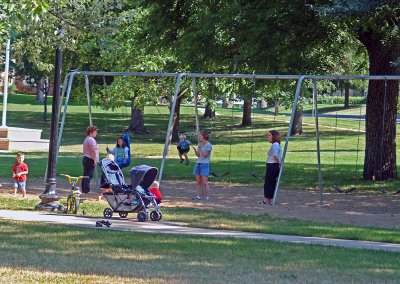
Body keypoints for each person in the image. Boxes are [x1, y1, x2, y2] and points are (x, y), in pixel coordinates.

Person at [262, 130, 282, 205]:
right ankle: (269, 199)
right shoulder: (276, 145)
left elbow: (275, 155)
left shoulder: (275, 145)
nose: (267, 137)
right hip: (273, 165)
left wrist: (279, 163)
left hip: (272, 165)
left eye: (269, 135)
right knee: (271, 182)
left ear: (274, 136)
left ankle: (266, 200)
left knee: (268, 183)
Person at [191, 131, 212, 201]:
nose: (199, 137)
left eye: (200, 136)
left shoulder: (208, 145)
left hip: (205, 164)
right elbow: (198, 155)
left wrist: (200, 149)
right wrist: (195, 149)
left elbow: (205, 155)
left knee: (205, 182)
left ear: (204, 137)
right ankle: (198, 196)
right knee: (198, 182)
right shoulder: (199, 144)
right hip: (198, 164)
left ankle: (207, 197)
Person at [82, 125, 99, 194]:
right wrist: (95, 160)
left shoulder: (87, 138)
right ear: (91, 132)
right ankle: (86, 191)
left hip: (86, 158)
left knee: (86, 175)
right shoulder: (91, 140)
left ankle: (84, 190)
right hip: (89, 159)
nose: (96, 133)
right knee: (89, 175)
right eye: (95, 131)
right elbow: (92, 151)